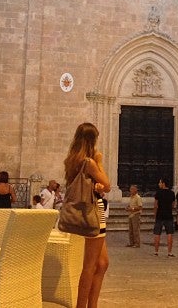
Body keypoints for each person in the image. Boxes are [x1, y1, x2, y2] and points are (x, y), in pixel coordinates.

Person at [63, 122, 110, 308]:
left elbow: (96, 185)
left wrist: (96, 185)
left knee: (103, 263)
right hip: (93, 213)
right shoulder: (89, 162)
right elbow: (107, 184)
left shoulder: (73, 159)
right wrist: (98, 160)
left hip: (93, 210)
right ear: (91, 140)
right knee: (90, 266)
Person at [153, 178, 176, 257]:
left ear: (163, 183)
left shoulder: (158, 193)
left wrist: (155, 214)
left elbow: (156, 205)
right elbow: (173, 205)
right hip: (169, 215)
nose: (159, 184)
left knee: (157, 233)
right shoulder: (172, 193)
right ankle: (169, 252)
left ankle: (156, 251)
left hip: (160, 215)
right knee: (169, 233)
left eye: (160, 183)